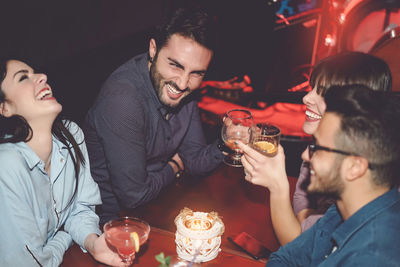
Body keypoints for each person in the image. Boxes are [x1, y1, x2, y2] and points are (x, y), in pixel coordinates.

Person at [83, 7, 224, 224]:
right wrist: (175, 167)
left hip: (160, 205)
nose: (183, 83)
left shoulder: (185, 91)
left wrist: (227, 141)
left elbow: (194, 161)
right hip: (113, 224)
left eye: (196, 73)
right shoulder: (122, 101)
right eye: (175, 65)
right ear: (153, 49)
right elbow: (134, 197)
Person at [237, 51, 392, 245]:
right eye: (313, 89)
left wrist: (278, 187)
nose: (306, 98)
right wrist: (306, 222)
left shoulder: (361, 176)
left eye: (324, 93)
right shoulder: (325, 146)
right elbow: (304, 200)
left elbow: (300, 250)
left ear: (357, 105)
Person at [0, 58, 130, 267]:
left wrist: (93, 243)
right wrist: (64, 237)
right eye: (24, 77)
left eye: (37, 73)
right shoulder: (6, 164)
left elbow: (80, 209)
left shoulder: (71, 135)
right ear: (5, 108)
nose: (42, 77)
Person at [266, 85, 400, 266]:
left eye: (318, 148)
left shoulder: (374, 257)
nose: (305, 156)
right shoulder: (342, 209)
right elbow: (284, 258)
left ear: (355, 167)